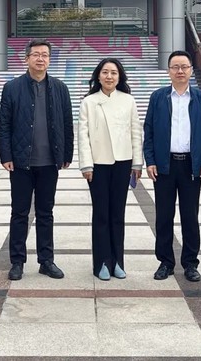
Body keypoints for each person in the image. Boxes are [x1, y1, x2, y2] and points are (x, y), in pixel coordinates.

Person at [0, 38, 73, 281]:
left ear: (49, 60)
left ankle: (46, 260)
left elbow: (67, 123)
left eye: (45, 55)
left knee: (45, 213)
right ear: (26, 58)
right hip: (21, 162)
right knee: (19, 213)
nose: (41, 59)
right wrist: (6, 155)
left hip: (49, 162)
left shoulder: (60, 88)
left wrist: (67, 154)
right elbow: (4, 125)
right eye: (36, 54)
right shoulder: (12, 88)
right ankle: (17, 261)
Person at [143, 50, 201, 283]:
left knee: (190, 217)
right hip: (165, 165)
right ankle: (165, 262)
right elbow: (148, 131)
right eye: (175, 67)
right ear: (168, 71)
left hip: (191, 166)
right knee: (164, 216)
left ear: (191, 70)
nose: (180, 71)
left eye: (184, 67)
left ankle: (190, 263)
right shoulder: (158, 97)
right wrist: (150, 160)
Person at [78, 58, 143, 281]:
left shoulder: (128, 100)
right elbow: (83, 135)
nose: (109, 76)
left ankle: (117, 262)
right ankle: (102, 263)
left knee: (117, 214)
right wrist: (86, 164)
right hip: (98, 164)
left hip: (123, 162)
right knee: (101, 214)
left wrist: (137, 163)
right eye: (105, 72)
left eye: (114, 73)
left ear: (119, 76)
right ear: (98, 76)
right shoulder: (89, 102)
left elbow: (136, 132)